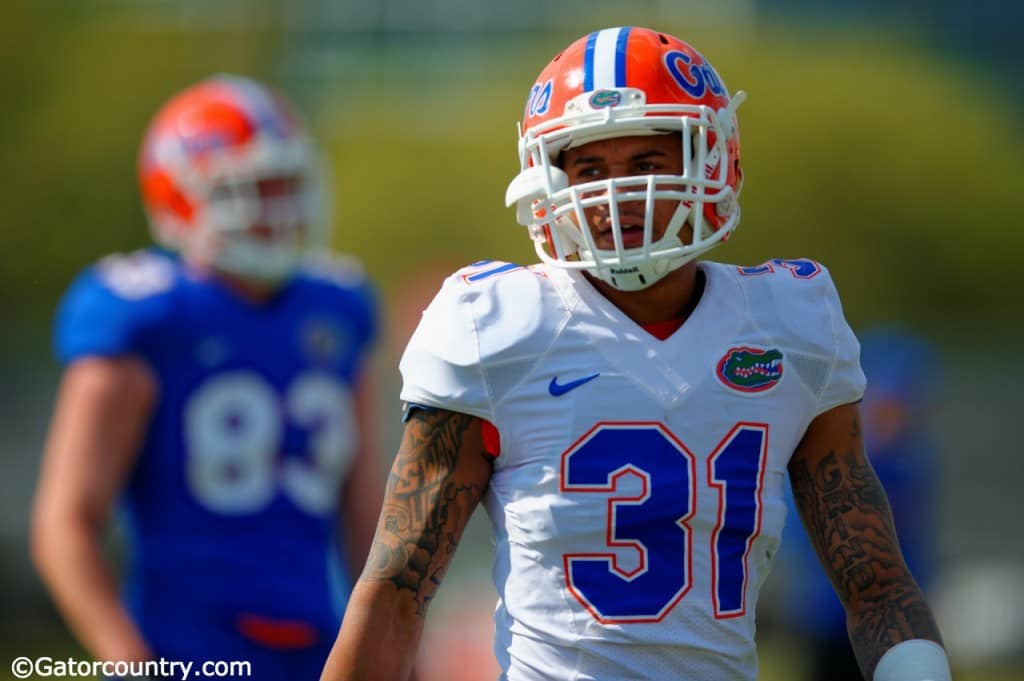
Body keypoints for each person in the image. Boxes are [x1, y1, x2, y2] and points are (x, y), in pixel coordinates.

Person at [321, 26, 951, 681]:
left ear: (711, 160)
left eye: (647, 164)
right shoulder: (494, 328)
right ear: (547, 179)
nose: (617, 194)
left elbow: (877, 586)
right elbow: (395, 592)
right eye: (589, 168)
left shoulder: (790, 325)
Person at [31, 75, 382, 680]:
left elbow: (367, 518)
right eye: (252, 187)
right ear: (182, 199)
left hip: (322, 646)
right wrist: (130, 664)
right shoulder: (145, 313)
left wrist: (393, 649)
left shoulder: (338, 308)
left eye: (285, 184)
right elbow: (64, 523)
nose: (277, 207)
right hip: (185, 644)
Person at [773, 326, 943, 681]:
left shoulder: (913, 459)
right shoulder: (838, 460)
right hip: (832, 615)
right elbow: (798, 537)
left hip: (897, 615)